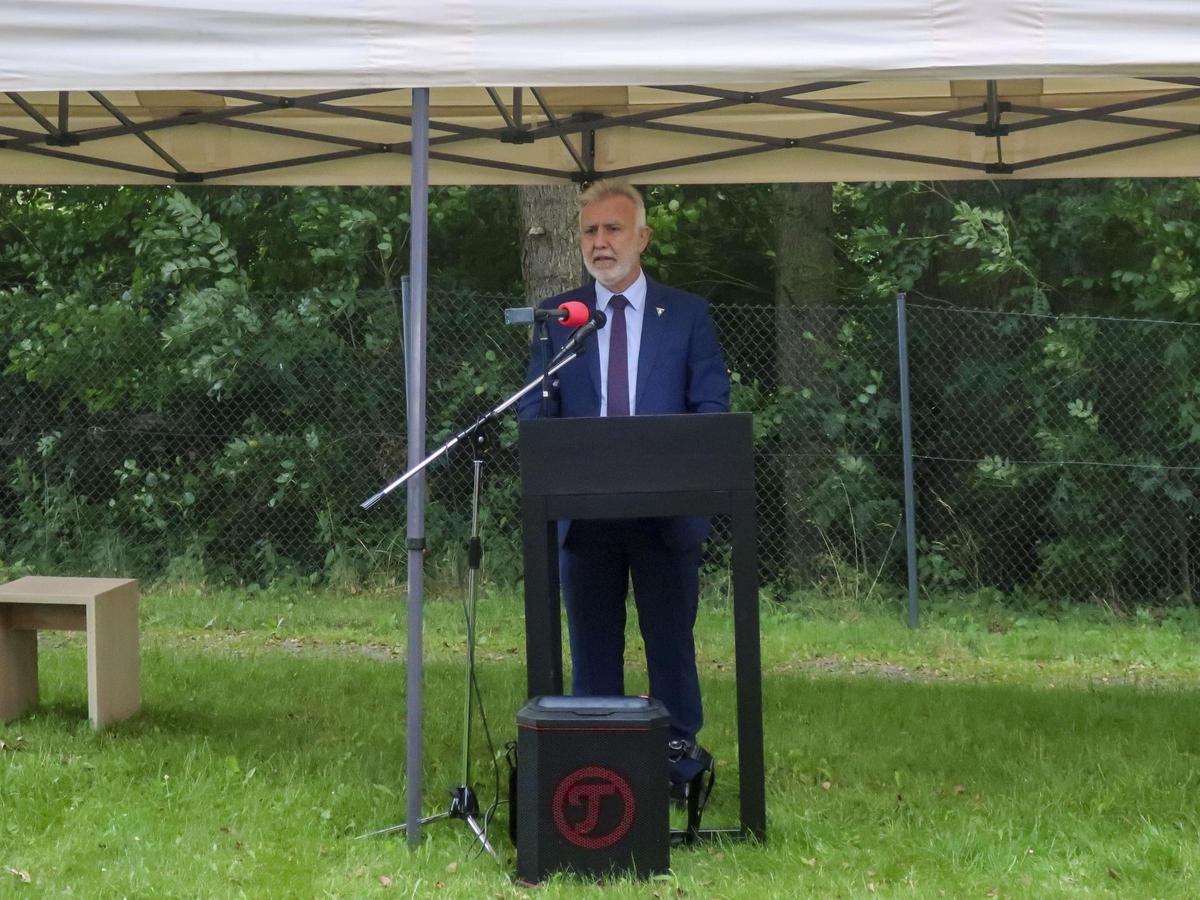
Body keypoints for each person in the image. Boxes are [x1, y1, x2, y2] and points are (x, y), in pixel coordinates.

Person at [517, 179, 730, 796]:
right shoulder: (560, 318)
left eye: (613, 229)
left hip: (666, 517)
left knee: (671, 649)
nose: (600, 242)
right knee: (592, 655)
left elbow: (711, 406)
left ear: (643, 238)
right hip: (585, 519)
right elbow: (535, 412)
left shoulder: (686, 315)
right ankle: (600, 773)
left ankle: (678, 769)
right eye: (590, 231)